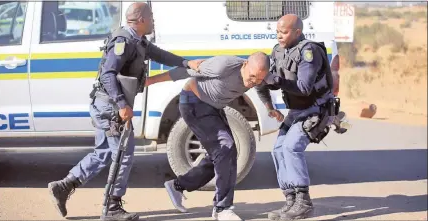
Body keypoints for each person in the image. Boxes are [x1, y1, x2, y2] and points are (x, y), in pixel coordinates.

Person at [47, 3, 203, 221]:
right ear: (140, 19)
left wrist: (186, 62)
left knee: (103, 154)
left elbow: (160, 55)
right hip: (110, 108)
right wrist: (122, 105)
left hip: (106, 106)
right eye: (151, 17)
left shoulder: (137, 40)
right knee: (123, 155)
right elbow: (107, 75)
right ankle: (112, 207)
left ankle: (63, 187)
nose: (153, 21)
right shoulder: (124, 41)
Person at [144, 53, 271, 220]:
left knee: (222, 155)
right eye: (252, 76)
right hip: (193, 102)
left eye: (258, 79)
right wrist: (150, 81)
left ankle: (178, 186)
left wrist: (270, 107)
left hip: (213, 108)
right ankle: (222, 208)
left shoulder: (258, 75)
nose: (253, 81)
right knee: (225, 149)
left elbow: (262, 87)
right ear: (245, 64)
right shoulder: (224, 66)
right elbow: (185, 71)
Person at [254, 14, 336, 220]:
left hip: (315, 109)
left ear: (297, 32)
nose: (279, 35)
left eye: (284, 32)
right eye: (277, 32)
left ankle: (304, 202)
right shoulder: (278, 50)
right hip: (296, 111)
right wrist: (269, 103)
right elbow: (269, 80)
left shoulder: (309, 51)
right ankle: (291, 200)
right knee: (278, 150)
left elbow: (305, 88)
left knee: (291, 147)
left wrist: (277, 80)